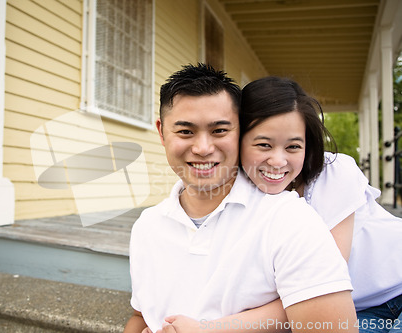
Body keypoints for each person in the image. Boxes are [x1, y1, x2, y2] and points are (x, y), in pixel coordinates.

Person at [124, 64, 357, 333]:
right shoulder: (146, 226)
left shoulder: (289, 219)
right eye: (185, 131)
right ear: (162, 132)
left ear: (240, 132)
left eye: (219, 131)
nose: (202, 148)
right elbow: (141, 317)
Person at [238, 76, 402, 333]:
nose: (278, 161)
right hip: (356, 310)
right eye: (263, 145)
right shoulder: (238, 193)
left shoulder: (335, 172)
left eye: (293, 146)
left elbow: (319, 287)